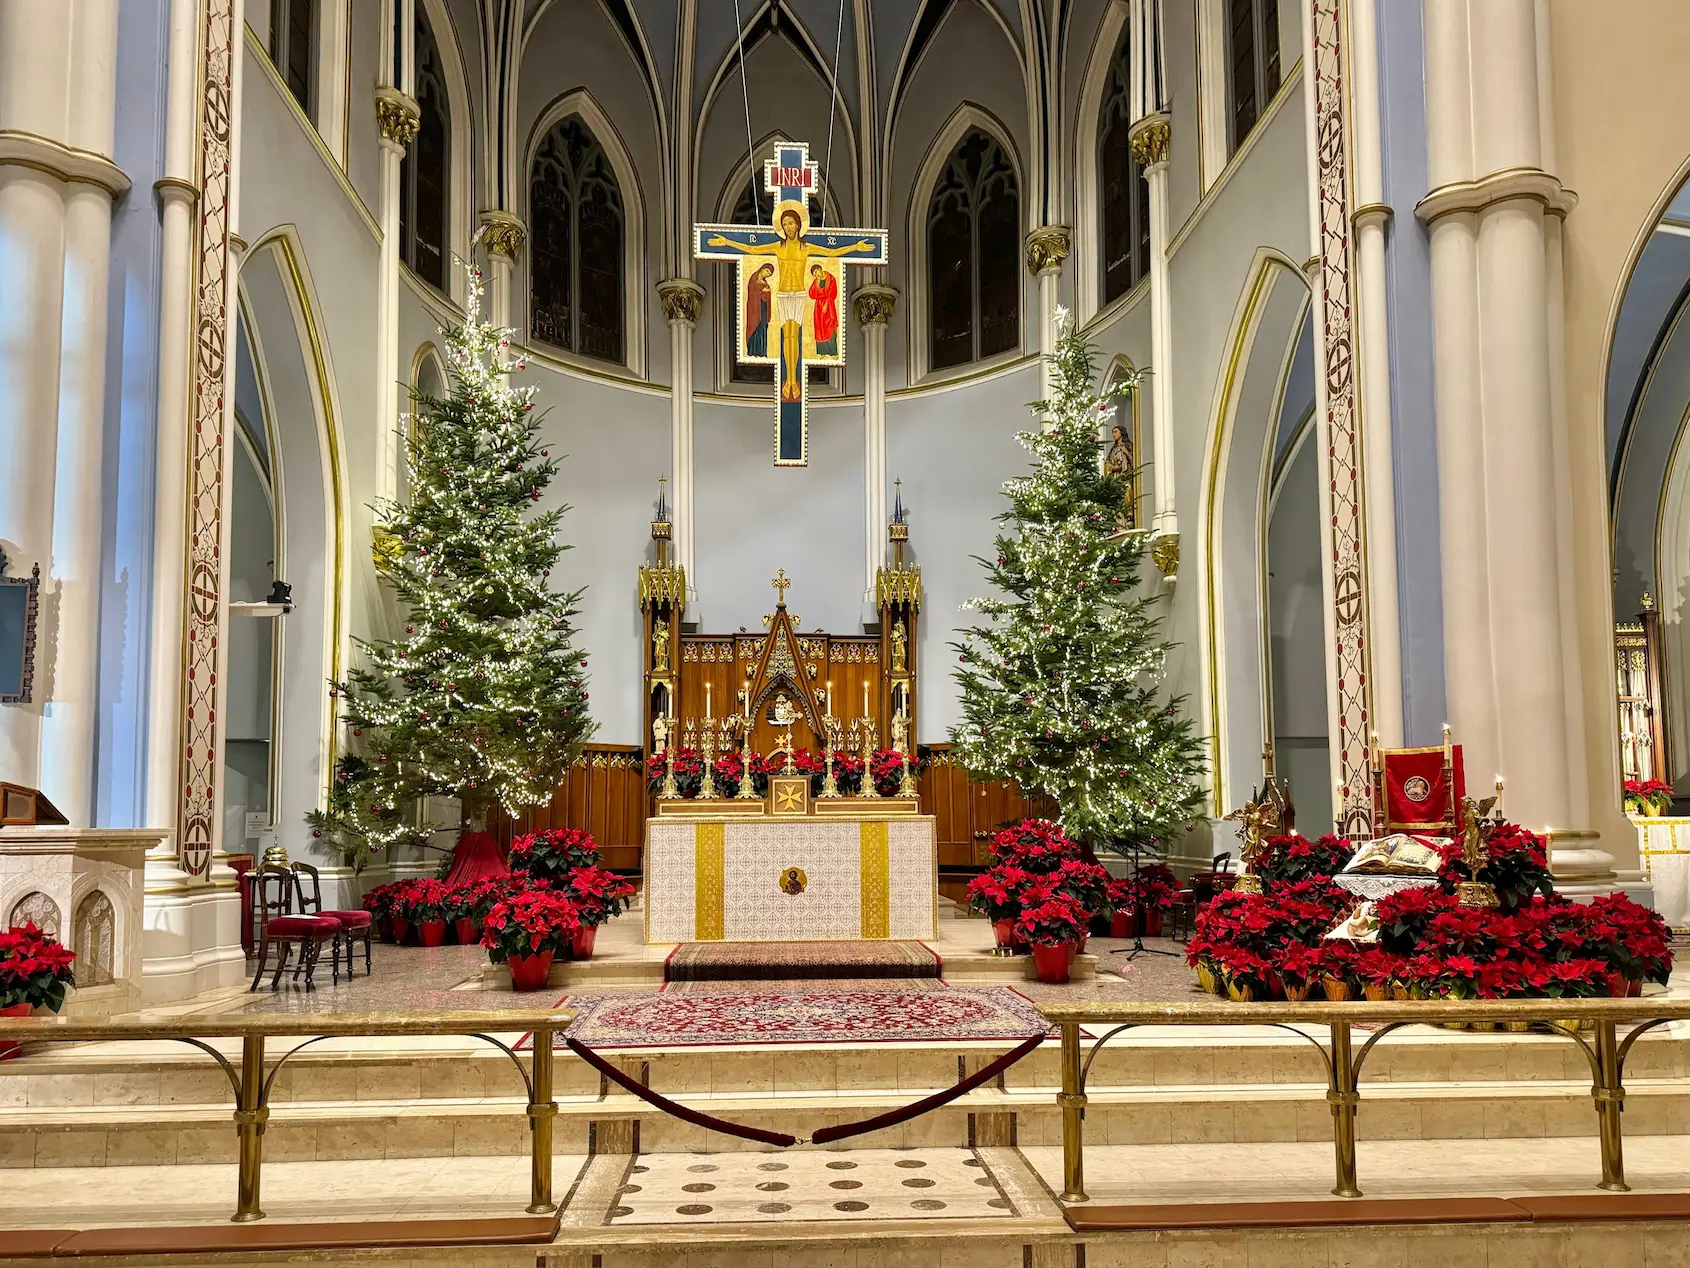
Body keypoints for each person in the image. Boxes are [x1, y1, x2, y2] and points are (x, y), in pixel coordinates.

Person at [708, 207, 873, 401]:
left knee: (795, 336)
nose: (788, 227)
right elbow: (752, 249)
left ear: (798, 225)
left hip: (799, 295)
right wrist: (727, 242)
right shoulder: (778, 247)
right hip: (783, 295)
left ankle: (794, 380)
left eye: (791, 223)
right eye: (785, 224)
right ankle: (789, 380)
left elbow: (832, 252)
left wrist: (856, 247)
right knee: (787, 337)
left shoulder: (806, 248)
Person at [808, 263, 839, 355]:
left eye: (816, 272)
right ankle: (822, 352)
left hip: (829, 306)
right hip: (818, 307)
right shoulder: (816, 281)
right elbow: (811, 294)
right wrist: (816, 285)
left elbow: (833, 293)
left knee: (829, 326)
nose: (816, 275)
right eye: (814, 274)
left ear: (820, 269)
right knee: (819, 327)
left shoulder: (831, 278)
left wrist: (826, 304)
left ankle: (832, 352)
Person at [745, 263, 774, 358]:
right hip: (754, 309)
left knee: (762, 328)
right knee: (755, 328)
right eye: (767, 271)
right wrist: (762, 292)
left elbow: (766, 298)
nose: (767, 274)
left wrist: (767, 293)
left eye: (769, 274)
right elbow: (751, 294)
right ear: (762, 268)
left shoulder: (765, 283)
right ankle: (753, 352)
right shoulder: (753, 279)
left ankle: (761, 353)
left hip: (763, 309)